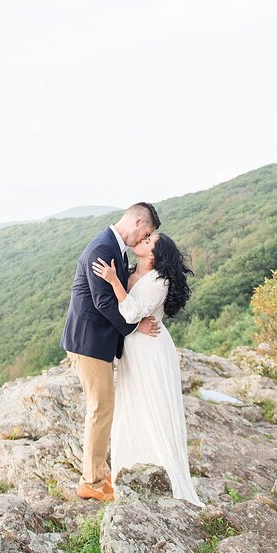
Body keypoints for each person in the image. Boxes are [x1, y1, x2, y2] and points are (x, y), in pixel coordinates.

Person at [91, 231, 203, 507]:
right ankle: (130, 469)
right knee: (132, 406)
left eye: (150, 241)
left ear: (155, 255)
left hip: (151, 350)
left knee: (154, 406)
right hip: (132, 349)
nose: (144, 240)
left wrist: (113, 282)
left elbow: (132, 313)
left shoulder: (159, 282)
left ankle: (166, 474)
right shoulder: (129, 269)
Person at [60, 203, 162, 501]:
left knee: (102, 406)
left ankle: (97, 473)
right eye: (147, 232)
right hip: (89, 341)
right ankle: (91, 482)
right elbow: (103, 302)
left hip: (96, 341)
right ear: (139, 221)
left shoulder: (115, 247)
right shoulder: (102, 248)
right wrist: (135, 326)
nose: (144, 238)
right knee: (100, 408)